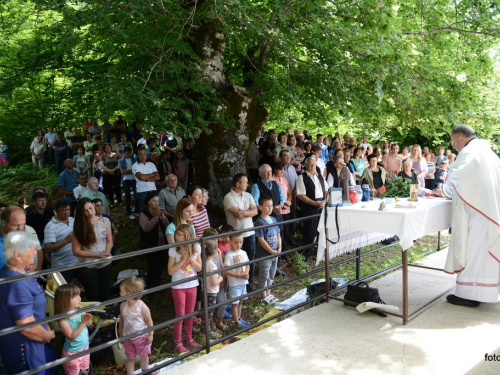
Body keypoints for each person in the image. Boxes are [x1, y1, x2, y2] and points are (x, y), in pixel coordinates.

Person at [433, 125, 500, 307]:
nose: (454, 146)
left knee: (473, 251)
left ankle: (470, 294)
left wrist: (443, 192)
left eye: (454, 142)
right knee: (484, 253)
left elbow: (456, 178)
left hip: (478, 212)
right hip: (489, 209)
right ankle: (486, 291)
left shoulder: (469, 153)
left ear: (461, 138)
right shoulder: (487, 152)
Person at [0, 231, 57, 375]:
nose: (35, 253)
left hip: (32, 343)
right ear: (18, 256)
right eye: (31, 249)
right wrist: (47, 335)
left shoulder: (11, 272)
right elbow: (27, 327)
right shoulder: (17, 284)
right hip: (28, 351)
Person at [167, 224, 202, 354]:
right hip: (178, 286)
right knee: (180, 315)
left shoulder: (196, 248)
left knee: (190, 313)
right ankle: (178, 342)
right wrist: (183, 260)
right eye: (177, 241)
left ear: (189, 238)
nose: (179, 243)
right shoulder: (173, 250)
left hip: (192, 284)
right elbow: (170, 271)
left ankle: (189, 338)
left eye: (182, 241)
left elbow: (199, 268)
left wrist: (190, 259)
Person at [72, 197, 113, 302]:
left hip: (105, 263)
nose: (89, 212)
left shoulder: (105, 220)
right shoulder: (79, 227)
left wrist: (106, 253)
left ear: (94, 206)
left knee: (105, 294)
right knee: (93, 296)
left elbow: (109, 240)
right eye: (85, 211)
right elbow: (76, 251)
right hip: (88, 266)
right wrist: (97, 255)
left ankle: (106, 315)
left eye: (90, 208)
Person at [119, 277, 156, 375]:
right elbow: (121, 321)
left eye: (121, 291)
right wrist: (120, 334)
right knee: (130, 358)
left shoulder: (142, 307)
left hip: (141, 337)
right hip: (128, 337)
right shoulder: (123, 305)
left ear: (129, 292)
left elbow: (149, 321)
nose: (119, 293)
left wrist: (150, 335)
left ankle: (145, 371)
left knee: (143, 356)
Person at [54, 284, 92, 375]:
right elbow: (71, 336)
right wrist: (83, 323)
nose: (80, 298)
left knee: (84, 370)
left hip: (85, 349)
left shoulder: (80, 311)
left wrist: (88, 320)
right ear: (65, 301)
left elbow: (89, 324)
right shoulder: (63, 320)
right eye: (75, 296)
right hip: (73, 354)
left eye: (79, 295)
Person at [296, 157, 328, 262]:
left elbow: (327, 191)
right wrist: (314, 203)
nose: (313, 166)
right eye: (310, 164)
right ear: (305, 165)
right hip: (310, 207)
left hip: (322, 205)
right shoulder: (302, 177)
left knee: (321, 229)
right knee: (310, 230)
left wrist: (325, 201)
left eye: (314, 164)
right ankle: (307, 253)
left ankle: (319, 250)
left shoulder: (320, 177)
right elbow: (300, 195)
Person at [44, 200, 81, 282]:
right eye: (62, 210)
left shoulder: (73, 220)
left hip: (79, 262)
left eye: (68, 210)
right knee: (64, 292)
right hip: (62, 266)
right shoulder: (50, 226)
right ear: (56, 211)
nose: (66, 213)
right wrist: (66, 240)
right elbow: (48, 248)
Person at [139, 191, 169, 290]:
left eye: (157, 201)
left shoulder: (159, 211)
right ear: (148, 202)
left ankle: (158, 286)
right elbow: (146, 228)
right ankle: (151, 288)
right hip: (150, 244)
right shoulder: (143, 213)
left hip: (162, 243)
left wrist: (161, 216)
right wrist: (155, 218)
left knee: (160, 266)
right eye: (154, 201)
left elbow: (167, 224)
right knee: (153, 267)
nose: (156, 203)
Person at [255, 196, 281, 304]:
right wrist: (270, 250)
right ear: (260, 207)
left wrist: (280, 247)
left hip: (275, 252)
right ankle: (263, 296)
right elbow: (261, 239)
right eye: (267, 206)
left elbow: (278, 234)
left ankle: (269, 293)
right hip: (265, 255)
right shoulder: (259, 222)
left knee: (272, 273)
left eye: (271, 206)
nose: (270, 208)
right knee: (264, 274)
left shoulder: (274, 219)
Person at [203, 227, 229, 332]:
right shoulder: (204, 254)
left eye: (216, 239)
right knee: (210, 307)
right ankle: (212, 325)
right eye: (214, 239)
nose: (217, 241)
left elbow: (221, 265)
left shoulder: (217, 250)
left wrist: (222, 279)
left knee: (222, 303)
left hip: (219, 281)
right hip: (210, 284)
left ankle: (219, 321)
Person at [223, 232, 250, 329]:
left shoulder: (243, 253)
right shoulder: (229, 255)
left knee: (240, 302)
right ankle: (236, 323)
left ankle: (239, 318)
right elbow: (226, 271)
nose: (238, 245)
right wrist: (239, 275)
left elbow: (248, 264)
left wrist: (246, 273)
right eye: (235, 242)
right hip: (234, 284)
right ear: (230, 242)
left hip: (243, 282)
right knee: (235, 304)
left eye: (240, 242)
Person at [203, 240, 224, 339]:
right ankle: (206, 333)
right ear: (215, 252)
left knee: (207, 313)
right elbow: (214, 282)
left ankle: (205, 332)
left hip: (205, 291)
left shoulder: (205, 263)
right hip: (211, 292)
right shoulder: (212, 265)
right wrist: (221, 278)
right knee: (209, 314)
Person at [132, 147, 159, 214]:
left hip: (153, 189)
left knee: (155, 209)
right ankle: (144, 224)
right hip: (142, 191)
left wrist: (146, 178)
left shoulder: (151, 164)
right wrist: (152, 174)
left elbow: (158, 177)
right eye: (141, 154)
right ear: (137, 155)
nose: (143, 156)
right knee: (143, 210)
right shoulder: (135, 166)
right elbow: (141, 177)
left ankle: (154, 223)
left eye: (144, 154)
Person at [119, 146, 139, 219]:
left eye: (130, 153)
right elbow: (122, 172)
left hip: (134, 179)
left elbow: (136, 170)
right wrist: (131, 170)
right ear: (124, 153)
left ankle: (137, 211)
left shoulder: (134, 159)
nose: (129, 154)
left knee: (137, 195)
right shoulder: (121, 160)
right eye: (127, 153)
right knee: (128, 197)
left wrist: (127, 171)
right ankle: (129, 212)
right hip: (126, 180)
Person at [101, 143, 122, 207]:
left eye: (108, 147)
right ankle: (111, 202)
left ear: (111, 147)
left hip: (117, 173)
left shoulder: (116, 155)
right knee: (109, 188)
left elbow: (120, 163)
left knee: (117, 187)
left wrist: (113, 170)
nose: (108, 148)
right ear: (104, 149)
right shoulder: (103, 156)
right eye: (106, 148)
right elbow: (102, 165)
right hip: (107, 174)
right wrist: (109, 170)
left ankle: (120, 201)